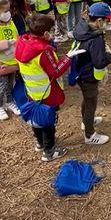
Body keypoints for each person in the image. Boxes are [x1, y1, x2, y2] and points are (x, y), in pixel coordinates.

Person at [14, 13, 82, 161]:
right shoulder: (43, 51)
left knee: (37, 118)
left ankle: (39, 143)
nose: (52, 33)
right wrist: (68, 57)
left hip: (32, 90)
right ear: (45, 33)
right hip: (47, 92)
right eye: (51, 30)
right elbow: (56, 71)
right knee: (48, 121)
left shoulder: (23, 42)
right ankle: (49, 151)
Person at [72, 2, 111, 145]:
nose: (109, 23)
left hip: (80, 71)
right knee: (91, 102)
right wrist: (109, 55)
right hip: (88, 75)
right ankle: (90, 135)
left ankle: (86, 121)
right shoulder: (95, 38)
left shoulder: (83, 28)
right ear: (99, 21)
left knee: (87, 99)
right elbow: (99, 62)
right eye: (107, 20)